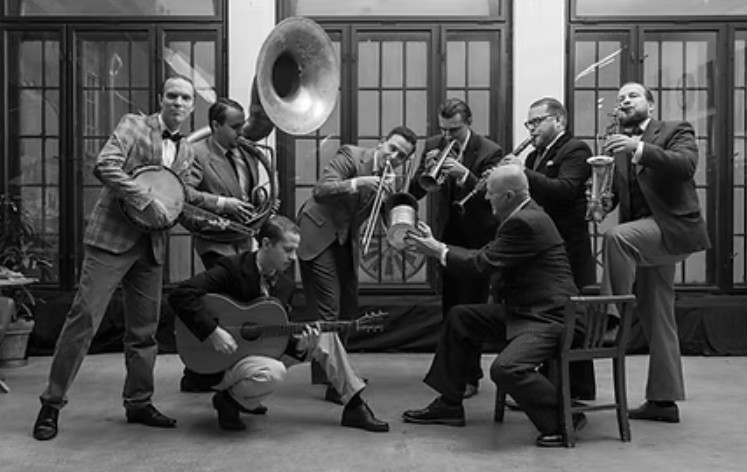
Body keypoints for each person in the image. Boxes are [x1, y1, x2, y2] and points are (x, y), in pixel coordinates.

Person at [32, 75, 197, 441]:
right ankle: (51, 404)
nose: (178, 102)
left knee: (144, 331)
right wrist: (144, 198)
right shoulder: (134, 125)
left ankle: (139, 402)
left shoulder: (186, 150)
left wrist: (225, 208)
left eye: (185, 98)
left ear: (192, 106)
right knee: (84, 320)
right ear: (161, 98)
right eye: (172, 95)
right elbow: (105, 165)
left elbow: (182, 197)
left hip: (151, 246)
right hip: (111, 239)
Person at [402, 164, 586, 448]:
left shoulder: (525, 222)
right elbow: (487, 255)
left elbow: (482, 263)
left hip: (551, 317)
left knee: (507, 368)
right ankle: (450, 404)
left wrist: (438, 250)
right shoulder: (524, 214)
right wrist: (439, 246)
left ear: (509, 195)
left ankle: (565, 419)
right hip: (526, 310)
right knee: (462, 317)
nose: (486, 198)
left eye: (490, 193)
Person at [168, 215, 389, 433]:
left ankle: (355, 406)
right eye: (288, 250)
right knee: (273, 372)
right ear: (266, 244)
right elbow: (181, 294)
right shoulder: (233, 269)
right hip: (216, 363)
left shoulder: (285, 285)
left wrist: (301, 346)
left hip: (253, 357)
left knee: (326, 336)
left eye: (295, 250)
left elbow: (274, 336)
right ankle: (233, 400)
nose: (293, 257)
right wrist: (213, 331)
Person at [599, 82, 710, 423]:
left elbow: (685, 166)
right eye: (620, 98)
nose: (625, 101)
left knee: (616, 238)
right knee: (659, 318)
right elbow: (619, 194)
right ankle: (664, 401)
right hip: (645, 237)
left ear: (650, 104)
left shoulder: (675, 130)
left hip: (672, 228)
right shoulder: (619, 145)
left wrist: (638, 147)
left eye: (632, 96)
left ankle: (611, 317)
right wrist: (601, 201)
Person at [296, 125, 418, 398]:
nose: (394, 157)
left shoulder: (388, 178)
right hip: (319, 230)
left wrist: (400, 218)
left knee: (349, 308)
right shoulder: (350, 155)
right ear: (381, 142)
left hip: (344, 237)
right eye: (392, 149)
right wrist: (358, 182)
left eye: (401, 156)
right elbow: (321, 189)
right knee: (329, 309)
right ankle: (336, 382)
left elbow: (384, 218)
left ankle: (333, 372)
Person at [408, 98, 502, 398]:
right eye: (444, 129)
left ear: (469, 123)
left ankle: (471, 376)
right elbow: (415, 191)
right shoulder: (433, 144)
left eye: (455, 130)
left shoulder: (490, 151)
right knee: (450, 309)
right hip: (446, 238)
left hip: (478, 240)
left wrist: (464, 175)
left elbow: (493, 198)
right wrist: (425, 171)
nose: (448, 136)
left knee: (472, 308)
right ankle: (452, 373)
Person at [179, 97, 274, 393]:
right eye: (234, 127)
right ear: (215, 126)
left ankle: (215, 371)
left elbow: (249, 192)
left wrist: (263, 203)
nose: (241, 132)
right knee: (224, 302)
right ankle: (202, 371)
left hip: (243, 238)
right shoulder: (196, 153)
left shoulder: (245, 152)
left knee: (238, 304)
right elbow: (183, 193)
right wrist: (223, 203)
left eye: (242, 125)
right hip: (214, 240)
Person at [521, 97, 596, 401]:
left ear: (559, 121)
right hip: (542, 251)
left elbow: (564, 191)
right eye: (529, 123)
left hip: (570, 249)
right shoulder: (532, 156)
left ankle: (574, 393)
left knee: (571, 320)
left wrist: (522, 173)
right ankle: (548, 390)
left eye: (537, 121)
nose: (531, 129)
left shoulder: (576, 149)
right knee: (548, 319)